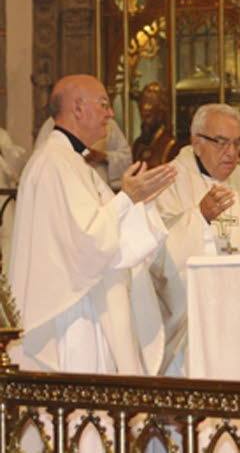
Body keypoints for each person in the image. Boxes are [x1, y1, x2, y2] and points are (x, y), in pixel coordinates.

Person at [9, 74, 176, 374]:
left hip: (85, 301)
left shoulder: (71, 162)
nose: (110, 113)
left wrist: (136, 201)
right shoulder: (53, 163)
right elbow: (89, 241)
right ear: (77, 107)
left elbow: (97, 228)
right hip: (71, 313)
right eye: (103, 104)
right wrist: (127, 198)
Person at [153, 103, 240, 374]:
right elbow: (156, 255)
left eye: (238, 143)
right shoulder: (169, 181)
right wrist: (199, 219)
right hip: (193, 321)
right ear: (196, 142)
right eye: (221, 142)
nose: (232, 152)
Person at [36, 110, 133, 191]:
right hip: (66, 189)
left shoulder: (107, 123)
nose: (110, 112)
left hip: (100, 190)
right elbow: (42, 162)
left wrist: (104, 157)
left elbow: (127, 158)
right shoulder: (52, 125)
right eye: (101, 104)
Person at [0, 128, 27, 274]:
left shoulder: (2, 136)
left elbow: (14, 166)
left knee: (8, 242)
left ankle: (5, 289)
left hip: (3, 200)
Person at [132, 82, 178, 168]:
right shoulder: (137, 145)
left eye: (151, 102)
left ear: (161, 112)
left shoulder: (170, 146)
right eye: (143, 102)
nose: (145, 107)